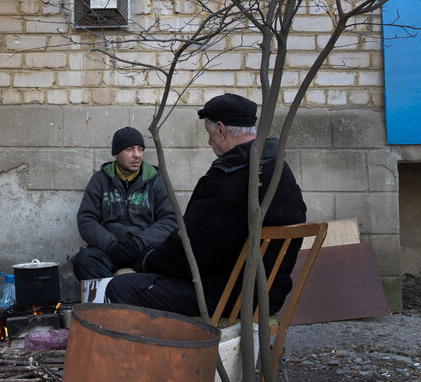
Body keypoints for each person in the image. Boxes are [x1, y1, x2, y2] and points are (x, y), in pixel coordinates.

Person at [106, 93, 307, 318]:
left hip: (229, 296)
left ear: (221, 130)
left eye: (209, 132)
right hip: (269, 296)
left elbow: (191, 250)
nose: (209, 140)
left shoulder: (229, 178)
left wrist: (147, 260)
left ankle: (178, 352)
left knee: (121, 287)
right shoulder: (279, 169)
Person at [72, 126, 178, 280]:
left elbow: (169, 220)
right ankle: (112, 299)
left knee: (168, 258)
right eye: (130, 149)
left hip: (143, 250)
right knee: (84, 260)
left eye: (140, 149)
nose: (137, 155)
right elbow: (86, 220)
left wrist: (138, 243)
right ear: (116, 153)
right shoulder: (100, 180)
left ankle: (135, 297)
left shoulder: (155, 180)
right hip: (110, 251)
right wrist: (111, 246)